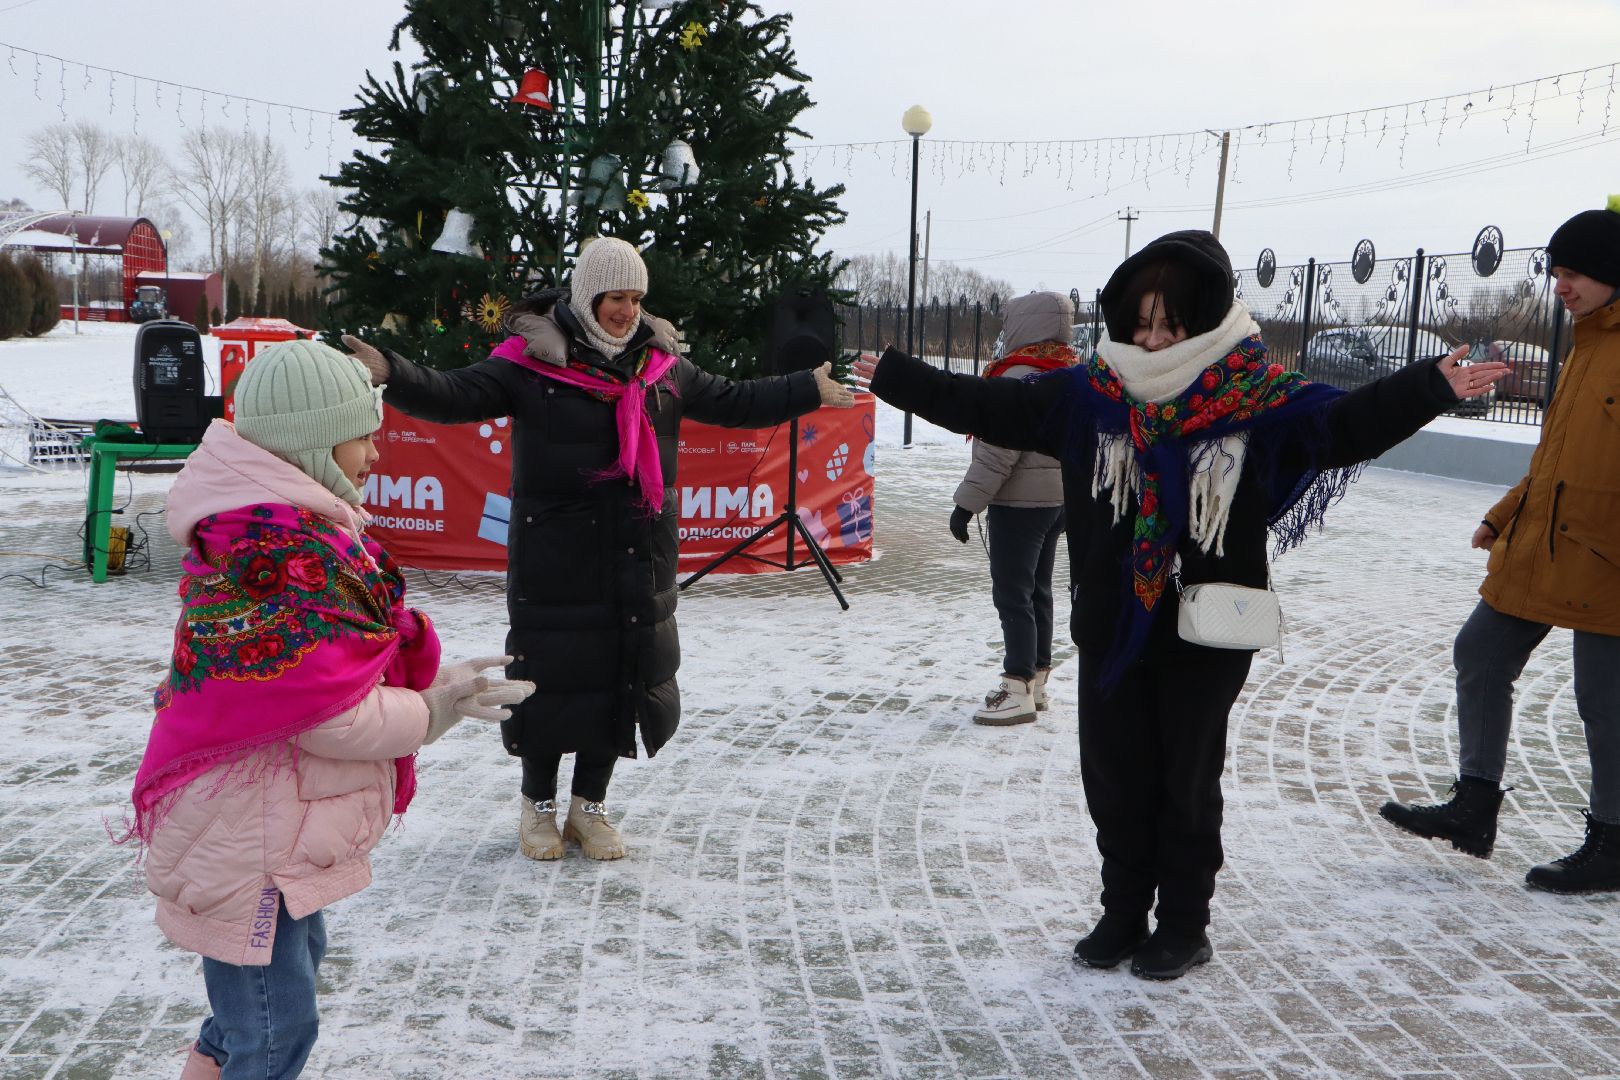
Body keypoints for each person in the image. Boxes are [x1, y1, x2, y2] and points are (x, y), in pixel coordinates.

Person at [856, 230, 1506, 980]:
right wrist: (901, 377)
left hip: (1208, 628)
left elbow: (1344, 424)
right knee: (1114, 775)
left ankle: (1185, 924)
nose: (1153, 338)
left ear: (1206, 320)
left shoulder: (1257, 401)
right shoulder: (1089, 395)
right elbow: (993, 403)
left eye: (1171, 323)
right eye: (1142, 322)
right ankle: (1123, 911)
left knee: (1184, 781)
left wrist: (1428, 387)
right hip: (1111, 622)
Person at [343, 236, 854, 862]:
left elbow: (735, 400)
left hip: (638, 552)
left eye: (637, 298)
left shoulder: (662, 369)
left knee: (620, 680)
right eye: (616, 297)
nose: (627, 311)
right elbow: (455, 393)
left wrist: (806, 386)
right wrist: (393, 372)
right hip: (556, 556)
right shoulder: (530, 366)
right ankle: (538, 807)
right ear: (588, 296)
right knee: (549, 682)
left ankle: (590, 807)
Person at [123, 340, 533, 1080]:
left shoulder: (288, 531)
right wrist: (437, 707)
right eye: (364, 432)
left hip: (266, 824)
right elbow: (331, 715)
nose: (378, 451)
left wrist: (438, 689)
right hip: (247, 835)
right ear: (313, 439)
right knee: (277, 1030)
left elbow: (330, 671)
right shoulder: (274, 555)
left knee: (269, 996)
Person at [1380, 203, 1620, 893]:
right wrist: (1505, 511)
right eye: (1556, 272)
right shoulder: (1584, 346)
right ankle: (1473, 807)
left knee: (1604, 702)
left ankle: (1613, 840)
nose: (1561, 286)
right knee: (1480, 652)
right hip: (1543, 541)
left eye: (1573, 273)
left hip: (1608, 556)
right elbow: (1558, 454)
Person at [948, 291, 1078, 725]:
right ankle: (1038, 680)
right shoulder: (1068, 371)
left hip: (1020, 504)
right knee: (1038, 590)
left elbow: (998, 451)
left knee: (1012, 595)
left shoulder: (1018, 377)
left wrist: (966, 505)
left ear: (1025, 325)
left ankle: (1017, 686)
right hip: (1056, 502)